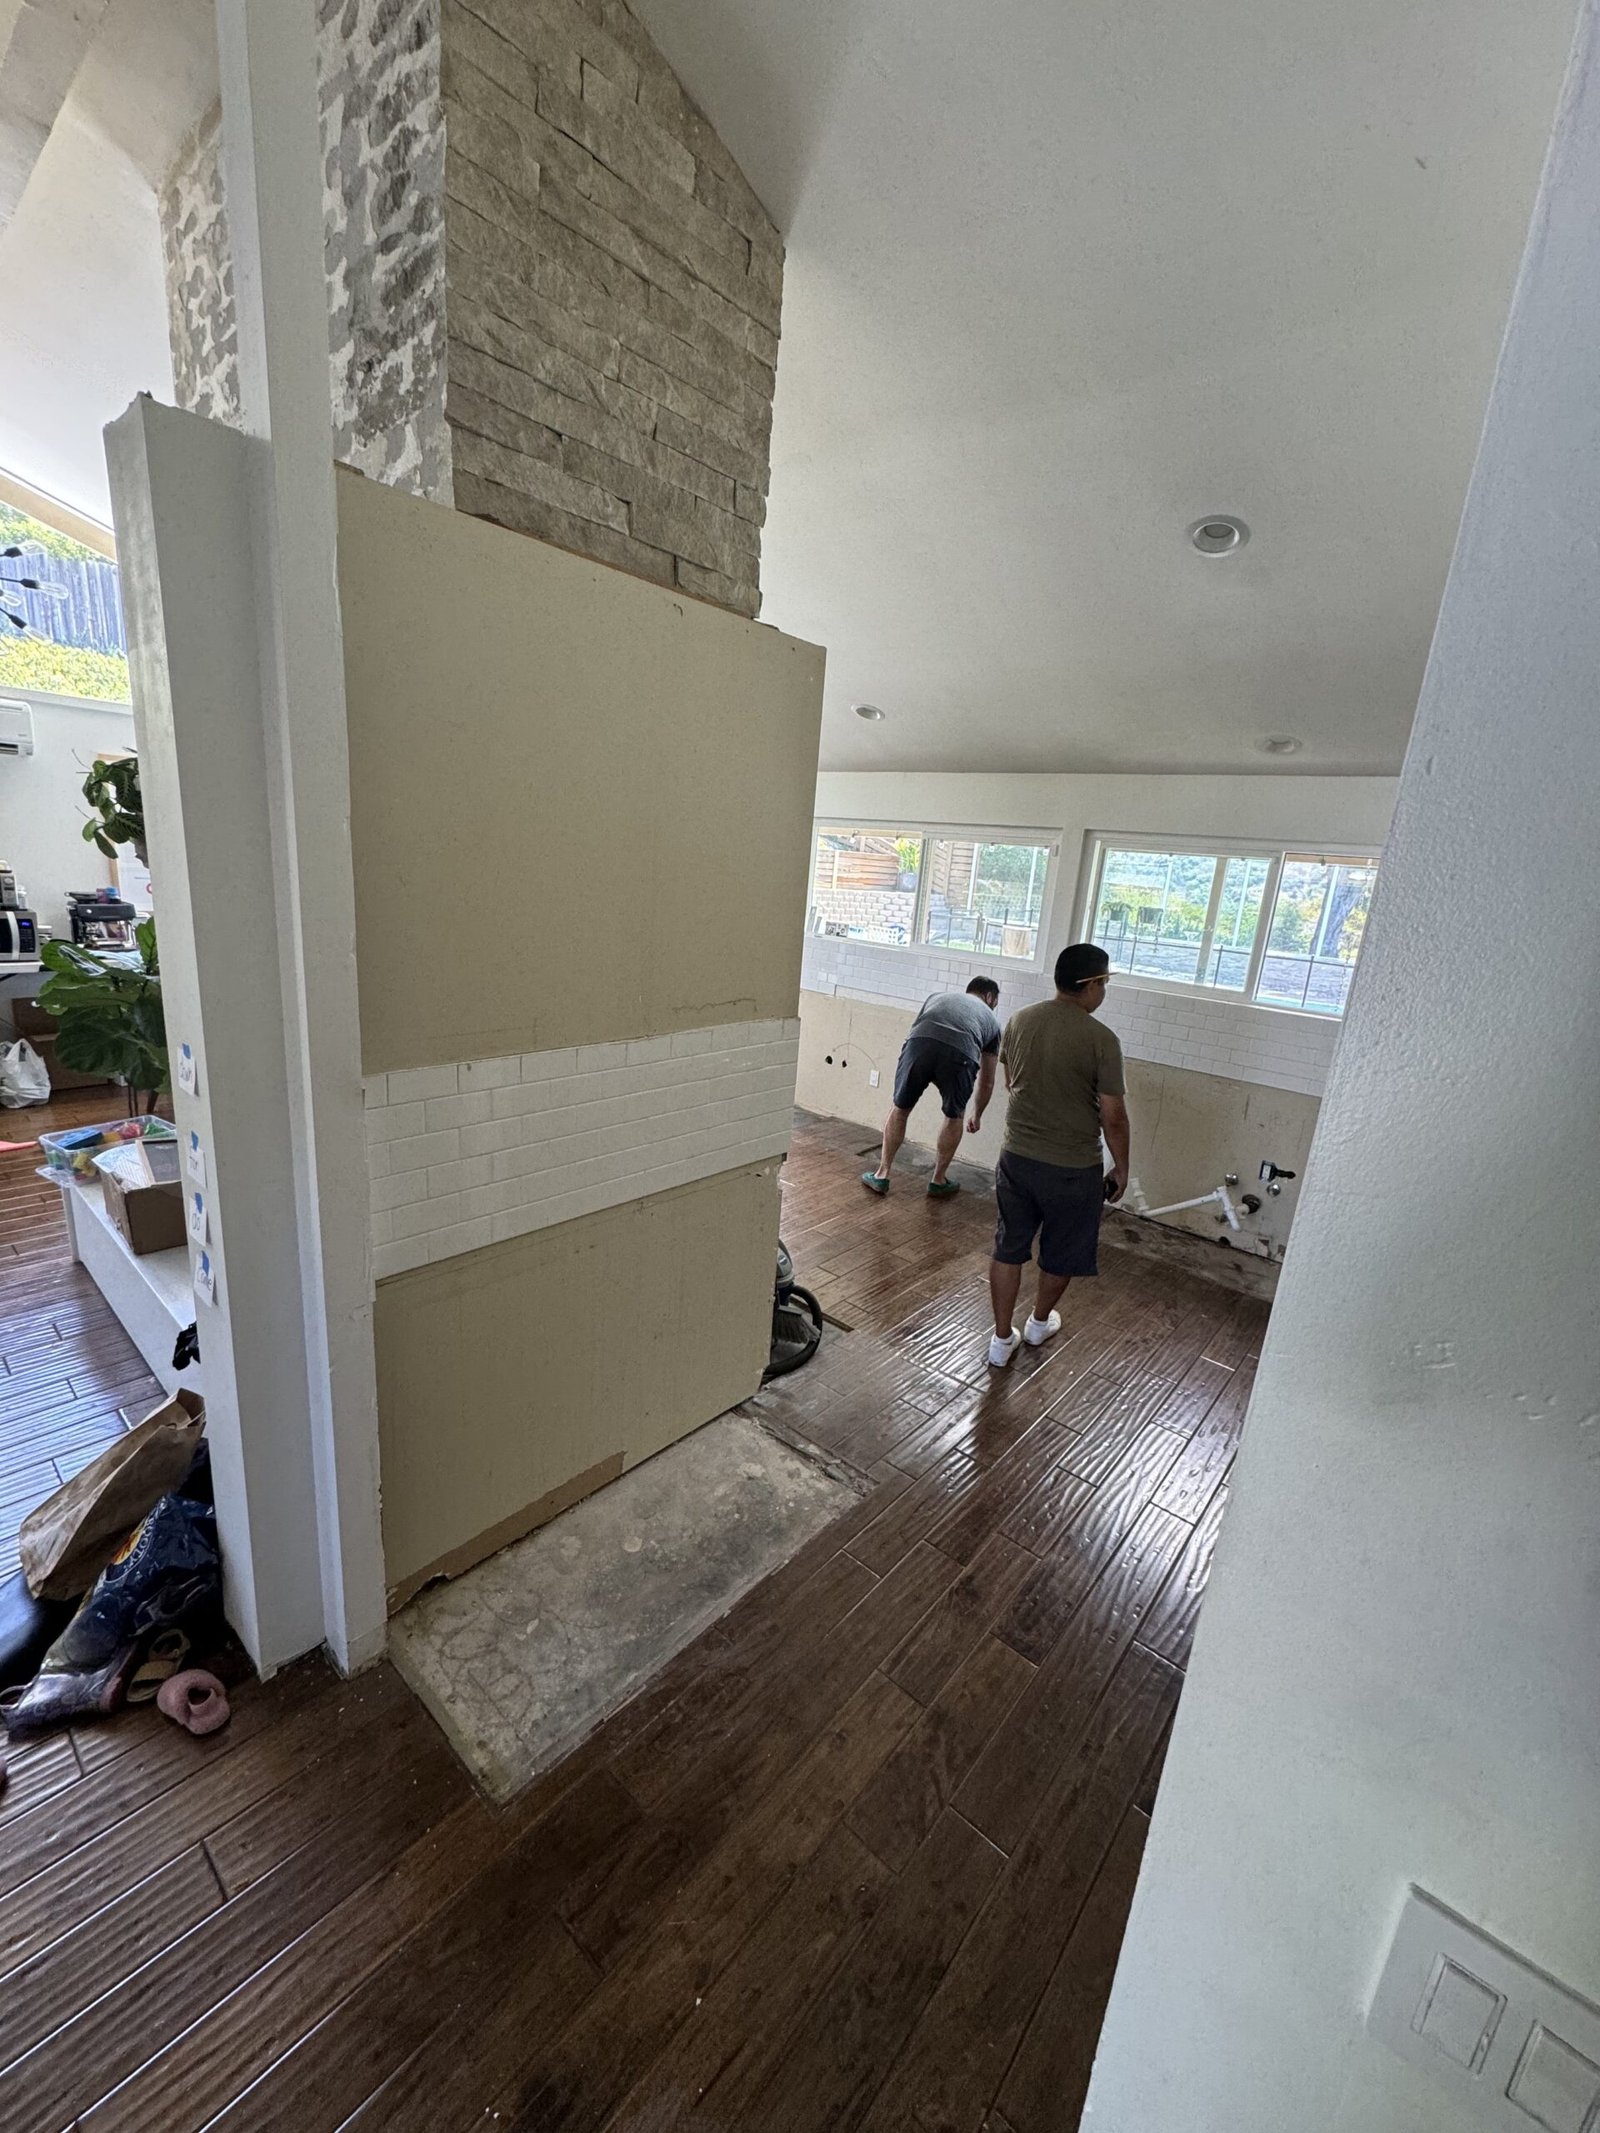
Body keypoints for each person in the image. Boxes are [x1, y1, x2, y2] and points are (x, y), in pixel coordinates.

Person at [986, 942, 1129, 1367]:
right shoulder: (1102, 1040)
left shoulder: (1019, 1020)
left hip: (1016, 1158)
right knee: (1062, 1250)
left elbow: (1012, 1080)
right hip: (1073, 1169)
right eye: (1103, 983)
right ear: (1090, 985)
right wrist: (1121, 1167)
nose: (1104, 992)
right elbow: (1114, 1116)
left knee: (1008, 1247)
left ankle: (999, 1340)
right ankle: (1038, 1322)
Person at [862, 976, 1002, 1198]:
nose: (994, 1007)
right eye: (995, 1003)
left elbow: (914, 1033)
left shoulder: (937, 997)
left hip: (921, 1044)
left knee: (900, 1109)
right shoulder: (993, 1023)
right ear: (989, 997)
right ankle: (938, 1180)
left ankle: (882, 1174)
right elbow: (988, 1080)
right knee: (954, 1116)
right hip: (961, 1054)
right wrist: (978, 1114)